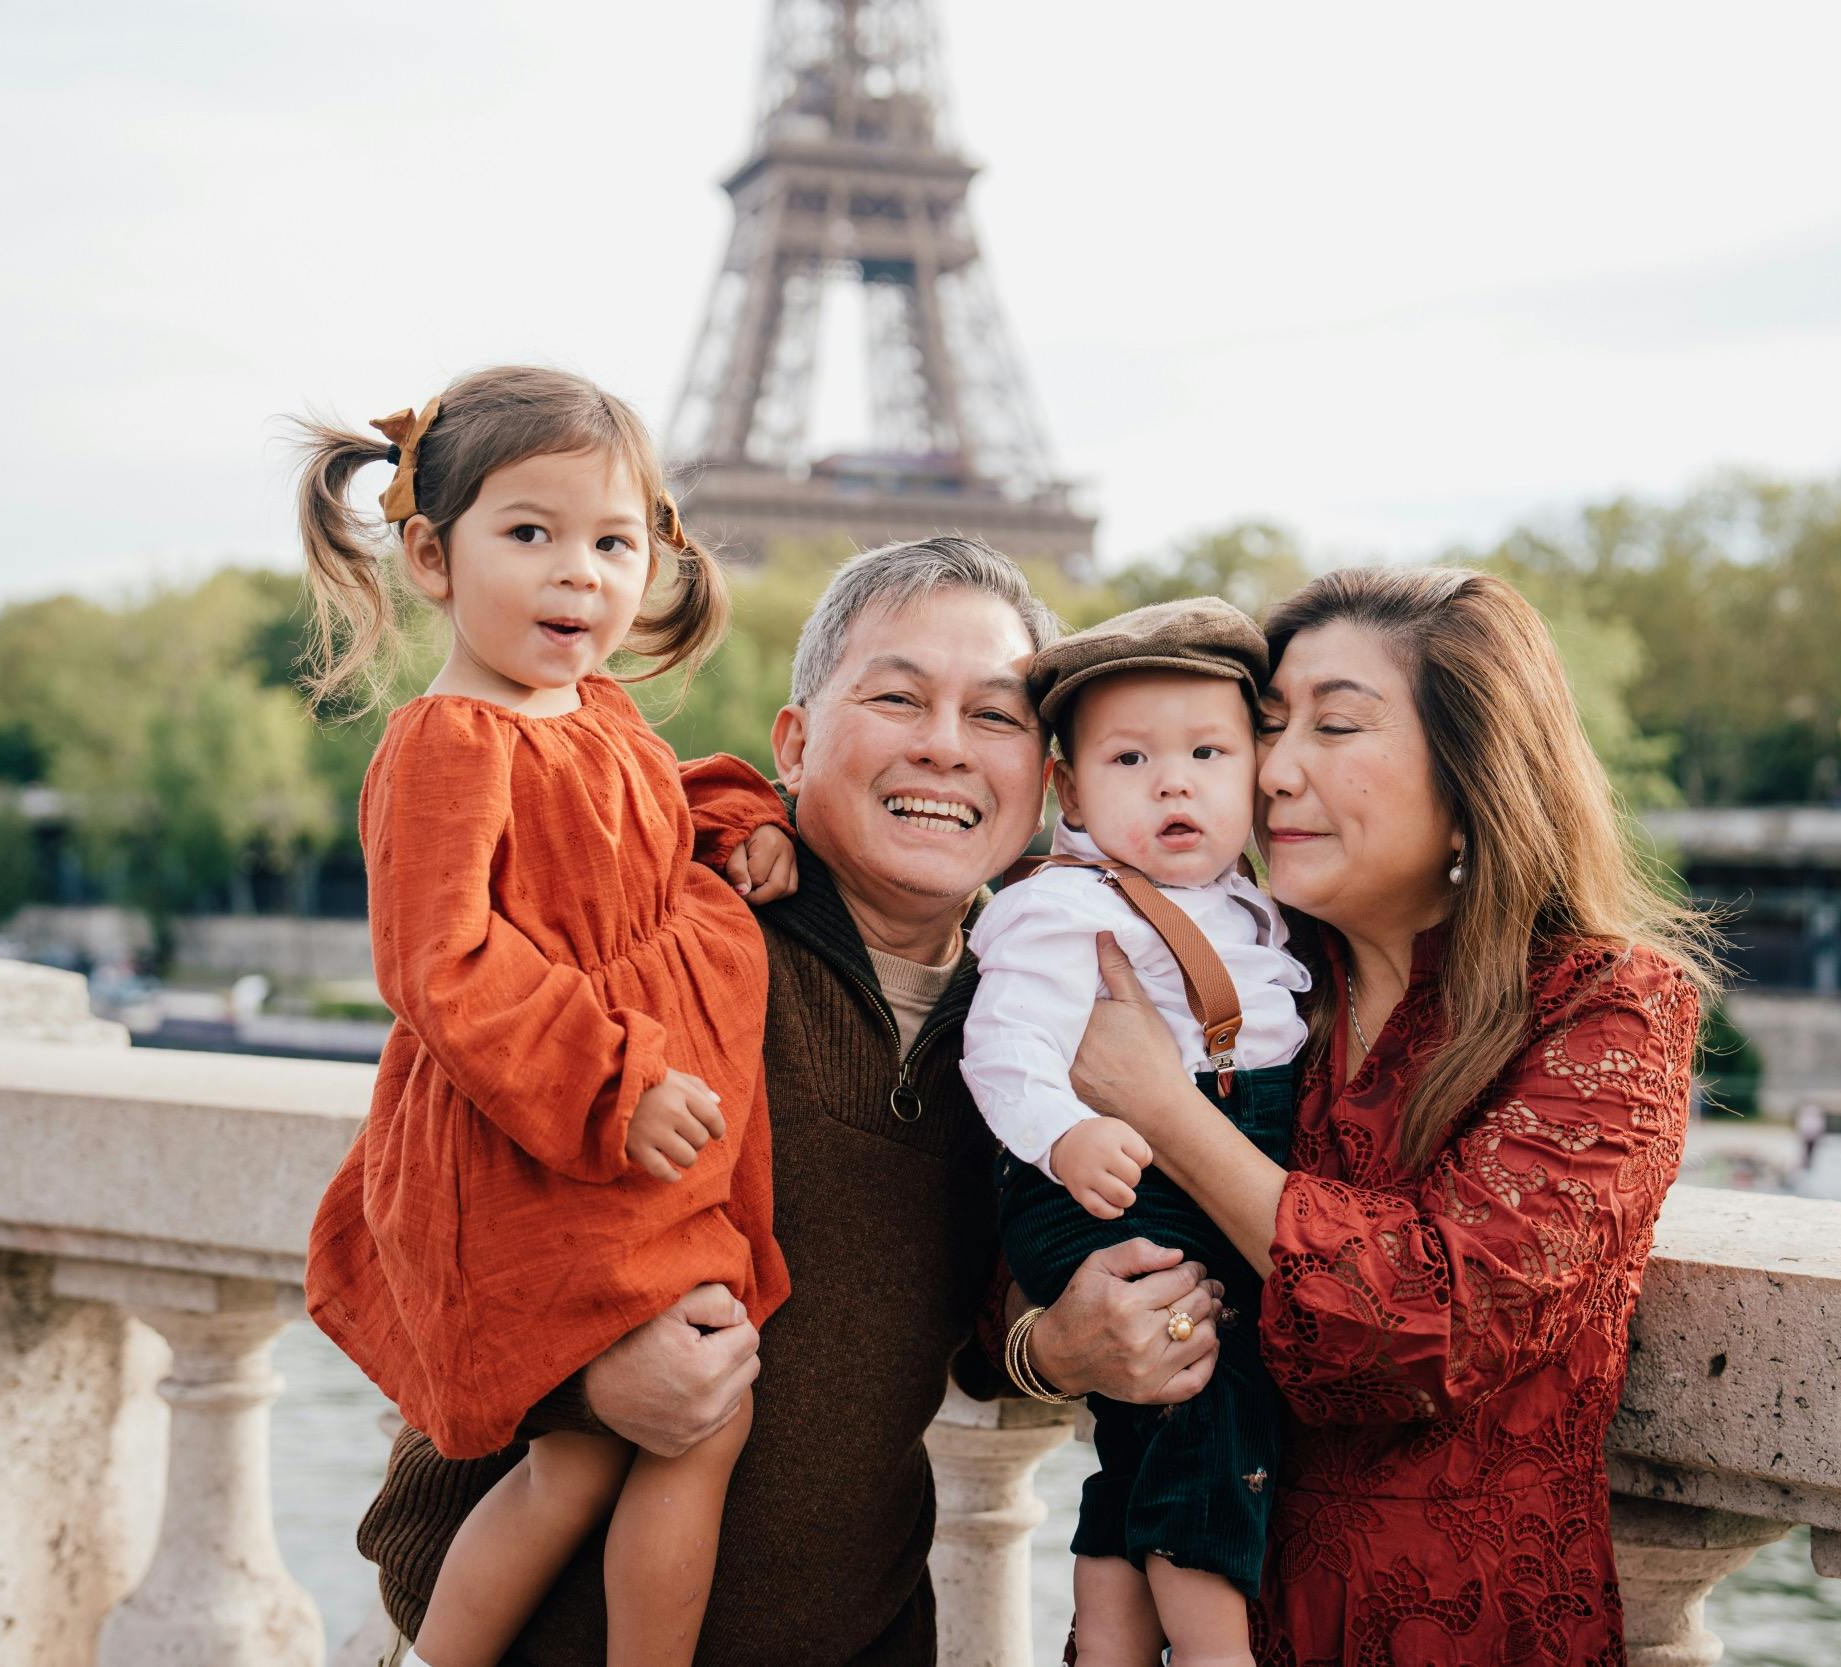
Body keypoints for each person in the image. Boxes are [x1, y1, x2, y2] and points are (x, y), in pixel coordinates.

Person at [353, 536, 1233, 1667]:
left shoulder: (1051, 1013)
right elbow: (414, 1213)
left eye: (995, 715)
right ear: (795, 741)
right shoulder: (649, 928)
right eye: (897, 697)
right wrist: (585, 1381)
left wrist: (1056, 1348)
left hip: (856, 1635)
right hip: (518, 1638)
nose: (945, 745)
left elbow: (982, 1335)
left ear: (1047, 779)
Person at [1069, 566, 1715, 1666]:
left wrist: (1168, 1112)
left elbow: (1430, 1325)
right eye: (1269, 727)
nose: (1274, 771)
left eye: (1334, 726)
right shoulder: (1232, 974)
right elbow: (1026, 1254)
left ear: (1473, 774)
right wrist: (1051, 1342)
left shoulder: (1608, 1006)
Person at [293, 365, 797, 1667]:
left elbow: (639, 815)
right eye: (531, 532)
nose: (580, 572)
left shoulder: (601, 711)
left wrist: (736, 822)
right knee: (634, 1440)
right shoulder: (446, 741)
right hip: (546, 1139)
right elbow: (440, 962)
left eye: (614, 543)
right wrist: (615, 1079)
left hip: (618, 1145)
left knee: (649, 1435)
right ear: (430, 557)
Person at [963, 599, 1308, 1667]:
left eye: (1208, 753)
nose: (1174, 783)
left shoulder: (1246, 901)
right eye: (1130, 758)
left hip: (1171, 1178)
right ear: (1070, 792)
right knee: (1209, 1402)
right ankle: (1216, 1651)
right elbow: (1003, 1043)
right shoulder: (1067, 906)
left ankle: (1109, 1641)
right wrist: (1063, 1132)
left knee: (1142, 1438)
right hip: (1104, 1187)